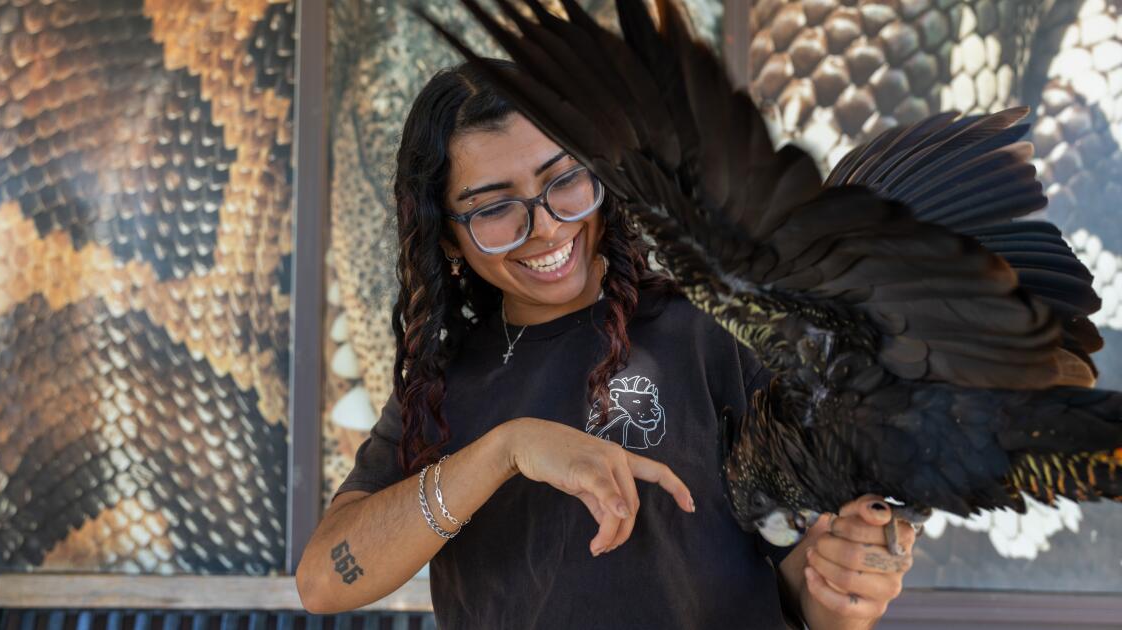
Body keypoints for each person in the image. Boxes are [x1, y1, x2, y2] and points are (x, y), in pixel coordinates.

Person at [296, 60, 917, 629]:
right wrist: (507, 450)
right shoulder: (441, 384)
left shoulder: (712, 328)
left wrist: (845, 584)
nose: (544, 227)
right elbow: (324, 581)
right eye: (493, 207)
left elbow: (806, 572)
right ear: (449, 239)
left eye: (563, 179)